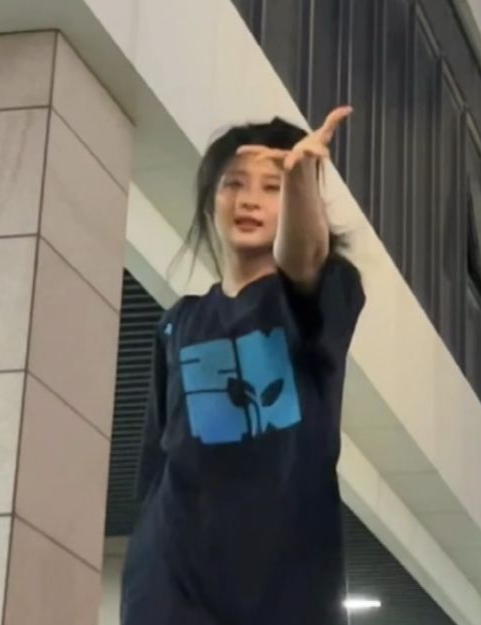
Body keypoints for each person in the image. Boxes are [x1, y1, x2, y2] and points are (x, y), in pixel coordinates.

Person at [120, 107, 366, 625]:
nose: (248, 199)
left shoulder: (318, 297)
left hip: (285, 588)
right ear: (210, 200)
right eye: (233, 183)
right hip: (173, 587)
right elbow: (156, 463)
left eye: (272, 188)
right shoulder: (178, 322)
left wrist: (300, 179)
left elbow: (305, 259)